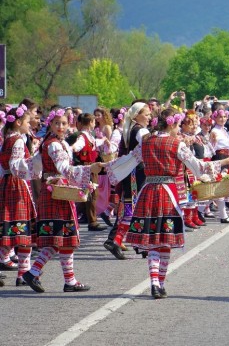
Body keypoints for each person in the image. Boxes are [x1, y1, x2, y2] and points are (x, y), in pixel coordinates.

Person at [106, 108, 229, 298]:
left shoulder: (146, 143)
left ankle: (155, 282)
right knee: (165, 241)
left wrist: (101, 169)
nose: (178, 129)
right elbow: (199, 167)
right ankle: (159, 283)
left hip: (147, 192)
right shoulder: (176, 143)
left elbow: (125, 162)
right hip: (168, 194)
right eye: (178, 125)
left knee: (154, 241)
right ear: (171, 124)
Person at [23, 108, 104, 293]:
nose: (61, 126)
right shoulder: (52, 145)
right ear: (50, 124)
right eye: (57, 123)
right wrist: (89, 169)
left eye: (64, 123)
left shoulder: (55, 143)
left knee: (64, 239)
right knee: (59, 238)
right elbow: (64, 168)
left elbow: (36, 167)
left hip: (59, 191)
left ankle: (64, 279)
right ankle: (38, 273)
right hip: (56, 193)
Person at [103, 102, 151, 260]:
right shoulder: (140, 130)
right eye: (146, 114)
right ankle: (117, 241)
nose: (149, 117)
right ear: (137, 115)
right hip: (136, 174)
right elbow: (146, 140)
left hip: (133, 173)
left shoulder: (131, 129)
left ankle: (137, 244)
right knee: (133, 208)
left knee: (134, 208)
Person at [0, 105, 39, 286]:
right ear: (18, 123)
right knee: (21, 230)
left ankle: (23, 273)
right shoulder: (17, 140)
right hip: (17, 185)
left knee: (16, 230)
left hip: (9, 184)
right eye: (27, 122)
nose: (29, 125)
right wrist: (33, 164)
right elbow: (16, 165)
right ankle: (23, 274)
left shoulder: (8, 138)